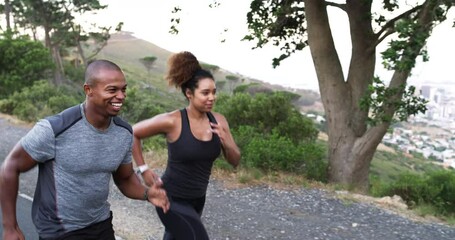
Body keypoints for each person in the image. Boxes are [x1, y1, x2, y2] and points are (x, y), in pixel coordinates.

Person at [0, 59, 170, 240]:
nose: (121, 96)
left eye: (123, 89)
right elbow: (10, 167)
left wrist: (147, 193)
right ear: (88, 90)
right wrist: (10, 226)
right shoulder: (55, 129)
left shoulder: (124, 133)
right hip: (59, 230)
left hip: (101, 224)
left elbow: (125, 178)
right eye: (112, 90)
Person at [132, 51, 241, 240]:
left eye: (214, 92)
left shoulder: (219, 121)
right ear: (189, 93)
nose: (212, 97)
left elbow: (235, 161)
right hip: (170, 198)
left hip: (198, 200)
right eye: (205, 93)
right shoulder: (173, 121)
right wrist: (143, 169)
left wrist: (228, 142)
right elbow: (133, 133)